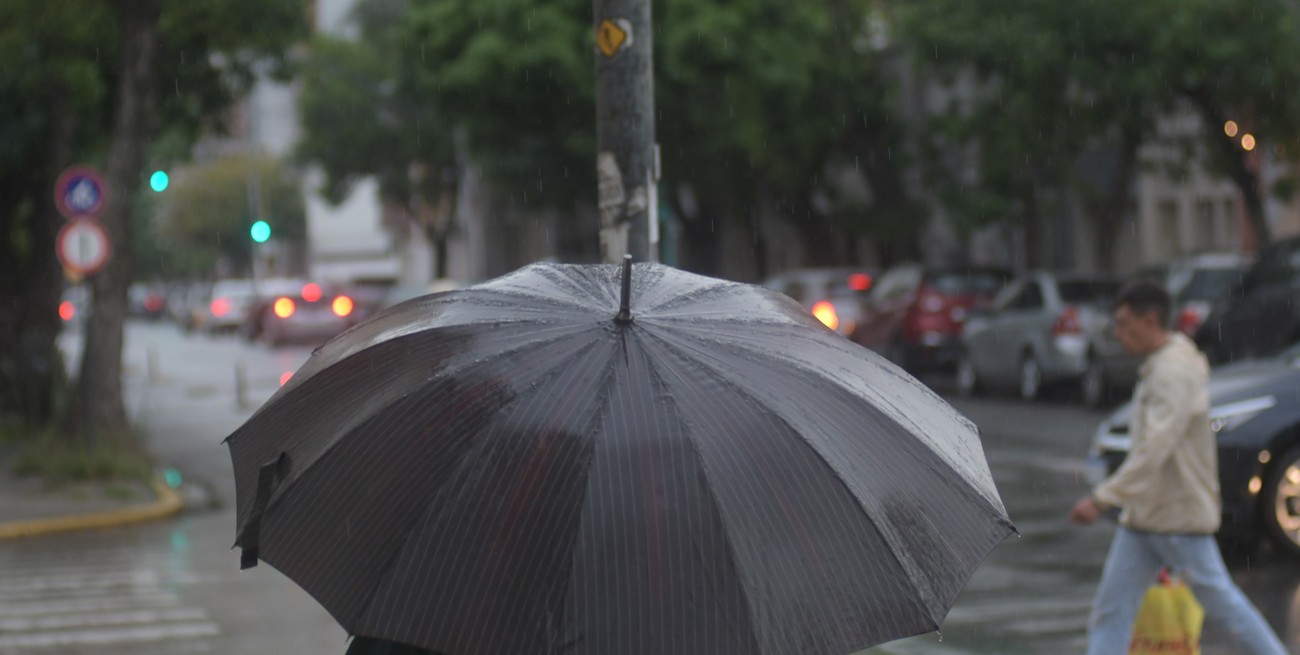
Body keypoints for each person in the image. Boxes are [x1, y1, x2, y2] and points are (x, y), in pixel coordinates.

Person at [1070, 280, 1287, 654]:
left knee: (1223, 605)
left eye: (1124, 324)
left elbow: (1155, 448)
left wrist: (1103, 499)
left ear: (1150, 320)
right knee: (1112, 610)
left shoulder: (1173, 372)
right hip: (1146, 518)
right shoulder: (1163, 365)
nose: (1119, 334)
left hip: (1176, 519)